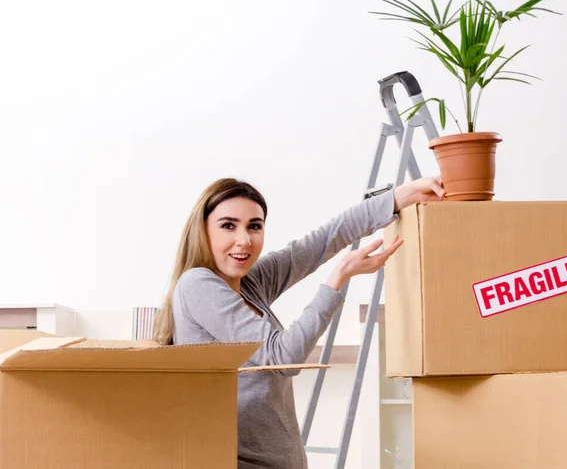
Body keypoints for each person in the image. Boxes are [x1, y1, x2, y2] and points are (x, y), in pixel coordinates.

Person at [154, 175, 445, 469]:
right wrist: (338, 278)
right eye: (228, 225)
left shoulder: (250, 284)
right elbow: (284, 357)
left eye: (254, 226)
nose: (244, 240)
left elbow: (322, 241)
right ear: (202, 230)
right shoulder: (197, 285)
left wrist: (398, 197)